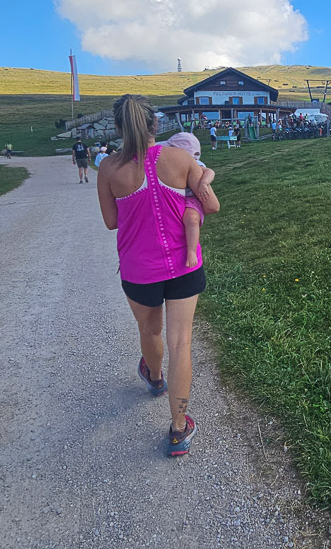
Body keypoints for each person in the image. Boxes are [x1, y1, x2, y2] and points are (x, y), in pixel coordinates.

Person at [97, 94, 220, 457]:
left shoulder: (108, 168)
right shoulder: (180, 158)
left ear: (119, 128)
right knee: (181, 342)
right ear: (155, 124)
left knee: (150, 331)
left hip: (138, 270)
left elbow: (111, 222)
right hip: (184, 265)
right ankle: (179, 430)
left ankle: (154, 379)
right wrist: (190, 202)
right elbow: (210, 203)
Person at [164, 132, 215, 268]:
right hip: (178, 197)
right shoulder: (168, 164)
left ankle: (191, 251)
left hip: (192, 198)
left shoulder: (195, 164)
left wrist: (204, 183)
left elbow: (210, 172)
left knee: (191, 219)